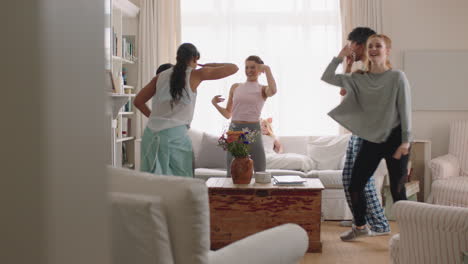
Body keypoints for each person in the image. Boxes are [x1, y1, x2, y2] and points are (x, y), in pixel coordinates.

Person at [321, 34, 412, 241]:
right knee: (355, 185)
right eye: (370, 46)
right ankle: (360, 226)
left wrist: (406, 141)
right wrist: (339, 57)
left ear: (387, 50)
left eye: (378, 46)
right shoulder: (360, 78)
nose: (373, 49)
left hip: (397, 139)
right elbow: (327, 77)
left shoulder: (397, 77)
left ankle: (410, 233)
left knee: (398, 190)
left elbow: (405, 109)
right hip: (372, 138)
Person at [134, 43, 238, 177]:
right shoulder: (197, 74)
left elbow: (138, 101)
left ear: (178, 58)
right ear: (195, 58)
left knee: (153, 184)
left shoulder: (160, 76)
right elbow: (234, 68)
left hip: (151, 134)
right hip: (175, 136)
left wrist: (155, 118)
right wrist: (208, 65)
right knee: (182, 183)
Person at [339, 27, 391, 237]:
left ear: (358, 45)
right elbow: (344, 91)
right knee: (348, 178)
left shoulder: (377, 69)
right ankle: (361, 221)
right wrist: (348, 64)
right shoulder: (361, 68)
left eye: (350, 43)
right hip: (358, 131)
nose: (348, 47)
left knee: (362, 180)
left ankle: (379, 225)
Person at [211, 55, 277, 176]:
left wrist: (267, 69)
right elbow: (227, 114)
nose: (249, 70)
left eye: (253, 67)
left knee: (260, 170)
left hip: (253, 130)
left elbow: (273, 90)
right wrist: (215, 104)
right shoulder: (235, 87)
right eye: (247, 67)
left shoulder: (263, 89)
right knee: (232, 171)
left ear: (260, 70)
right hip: (234, 129)